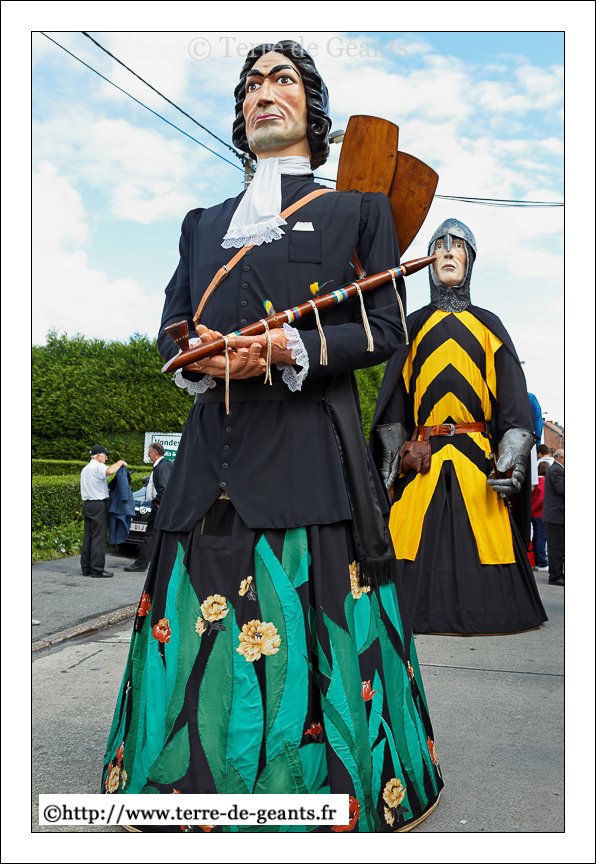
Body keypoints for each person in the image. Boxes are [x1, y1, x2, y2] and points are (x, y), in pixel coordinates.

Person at [102, 41, 443, 833]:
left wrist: (286, 347)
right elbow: (170, 326)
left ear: (311, 109)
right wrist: (197, 354)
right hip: (207, 466)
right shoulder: (201, 225)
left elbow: (383, 326)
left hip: (309, 461)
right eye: (251, 83)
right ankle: (182, 793)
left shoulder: (357, 212)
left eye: (282, 79)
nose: (263, 92)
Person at [371, 218, 548, 635]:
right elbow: (394, 398)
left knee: (487, 532)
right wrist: (391, 457)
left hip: (477, 458)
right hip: (423, 456)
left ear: (471, 260)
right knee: (406, 531)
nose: (449, 251)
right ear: (429, 260)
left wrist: (513, 455)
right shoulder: (411, 327)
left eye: (458, 246)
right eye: (440, 245)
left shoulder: (489, 326)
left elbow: (513, 401)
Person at [80, 445, 127, 577]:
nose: (106, 458)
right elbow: (110, 471)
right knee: (98, 538)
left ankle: (86, 568)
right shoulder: (98, 466)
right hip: (98, 506)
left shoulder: (85, 469)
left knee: (88, 537)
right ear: (98, 456)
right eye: (105, 456)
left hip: (87, 505)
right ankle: (97, 569)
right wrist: (120, 462)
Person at [124, 443, 172, 572]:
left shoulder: (162, 466)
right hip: (161, 506)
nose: (149, 455)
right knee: (157, 536)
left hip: (159, 506)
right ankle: (155, 565)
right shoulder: (162, 465)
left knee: (150, 536)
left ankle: (141, 564)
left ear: (155, 453)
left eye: (149, 453)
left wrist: (158, 503)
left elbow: (164, 488)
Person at [543, 449, 564, 585]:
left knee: (558, 548)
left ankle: (557, 574)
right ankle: (555, 576)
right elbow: (562, 489)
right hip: (555, 516)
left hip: (556, 516)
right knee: (556, 548)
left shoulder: (555, 469)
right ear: (561, 458)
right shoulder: (557, 470)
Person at [531, 460, 549, 571]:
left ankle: (536, 561)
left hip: (534, 514)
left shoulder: (535, 481)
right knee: (541, 538)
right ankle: (541, 562)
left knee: (536, 538)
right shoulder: (543, 481)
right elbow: (542, 498)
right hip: (540, 513)